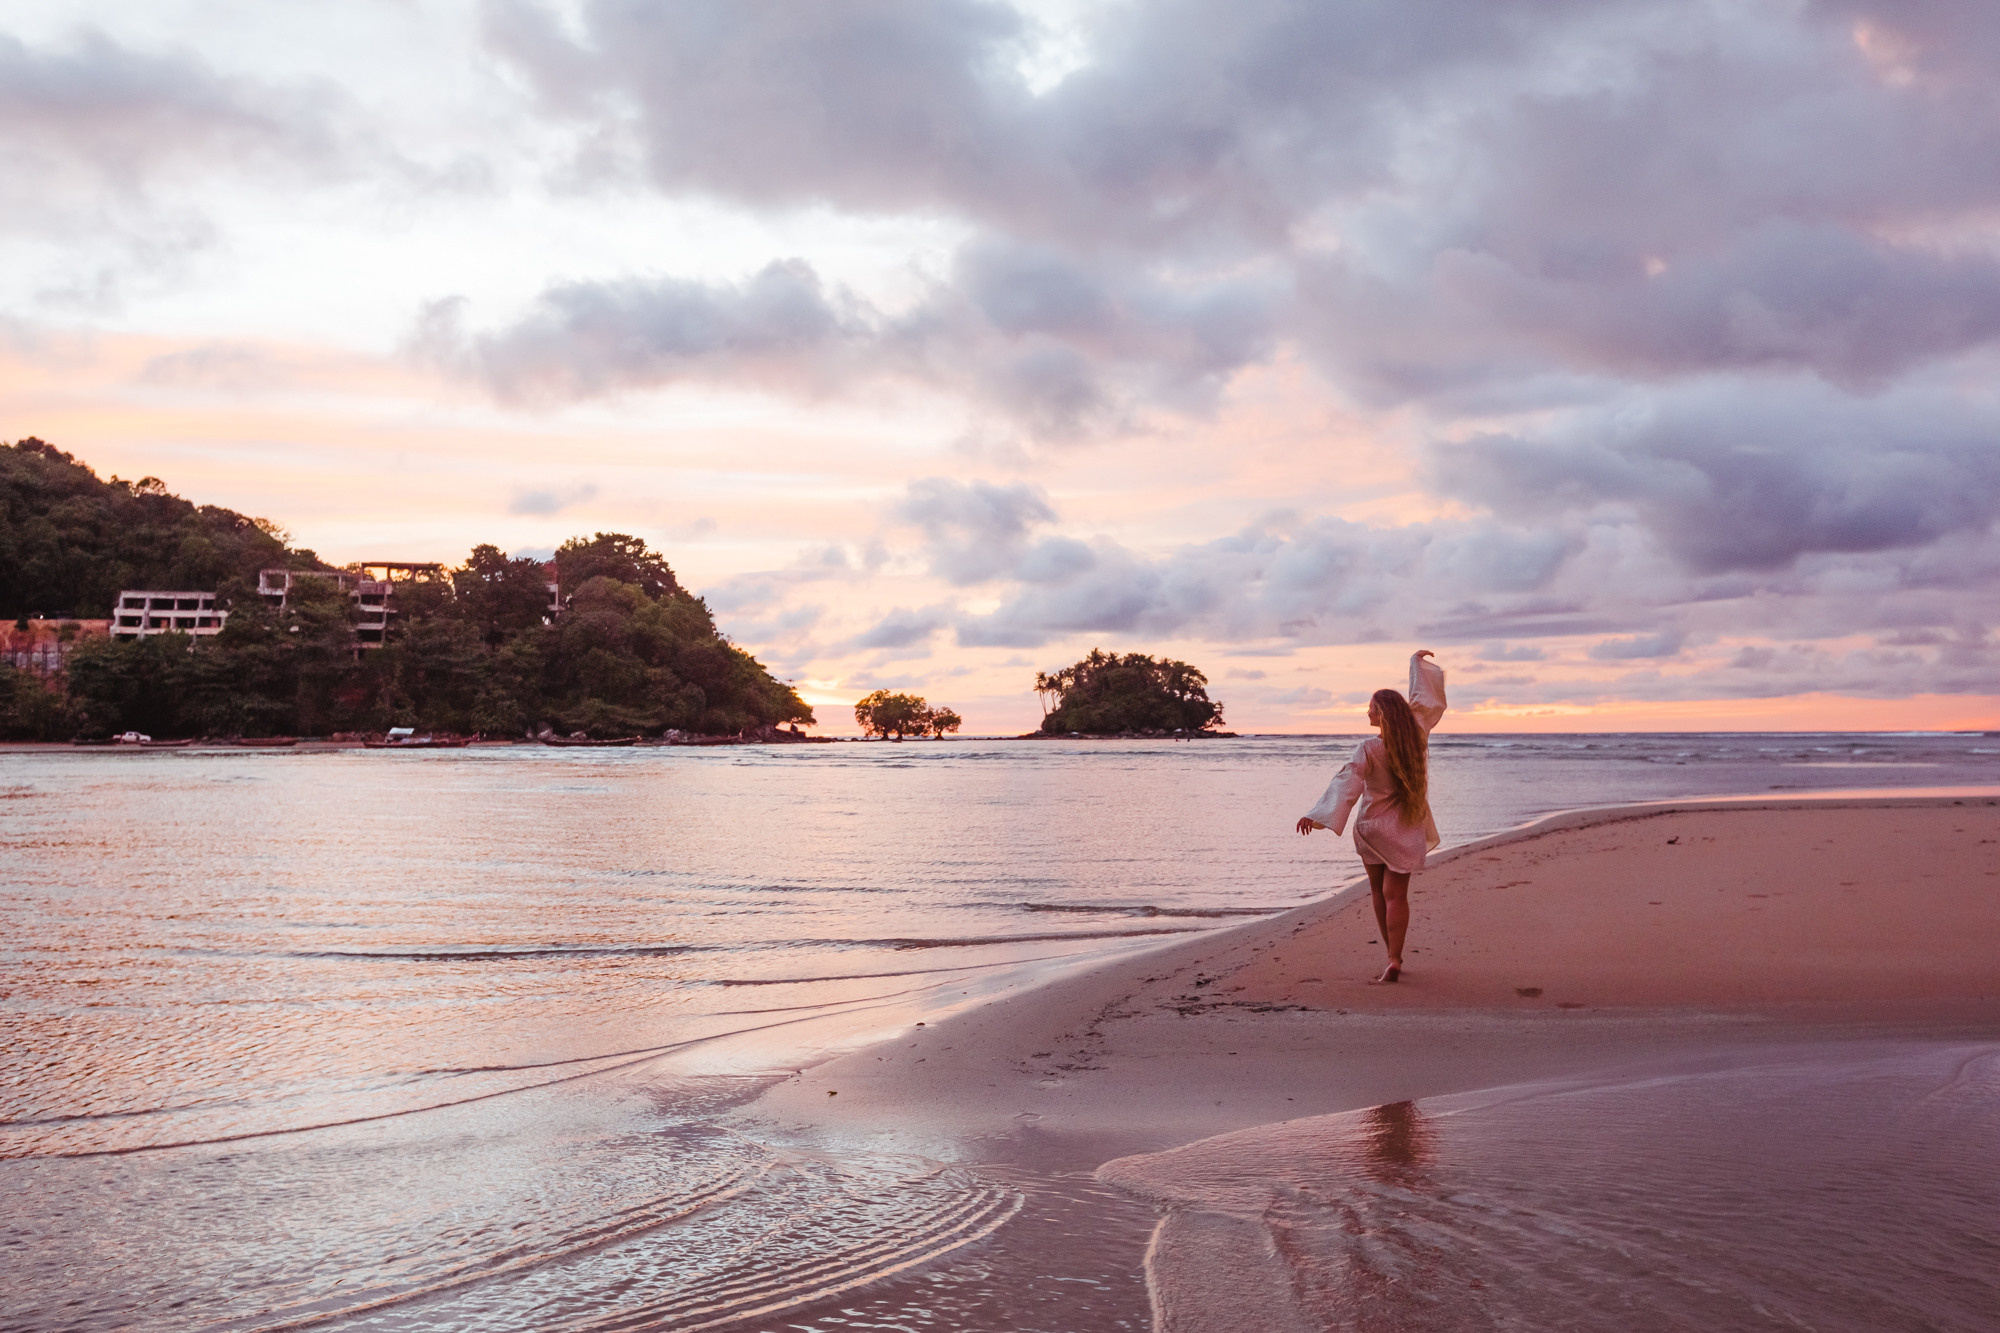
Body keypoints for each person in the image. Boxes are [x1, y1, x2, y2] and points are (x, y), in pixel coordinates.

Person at [1295, 650, 1446, 983]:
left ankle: (1392, 956)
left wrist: (1317, 816)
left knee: (1379, 893)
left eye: (1371, 707)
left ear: (1382, 713)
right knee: (1398, 896)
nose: (1367, 711)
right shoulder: (1417, 737)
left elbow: (1346, 783)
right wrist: (1415, 665)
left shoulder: (1367, 748)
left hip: (1373, 829)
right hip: (1406, 827)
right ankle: (1395, 957)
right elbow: (1424, 701)